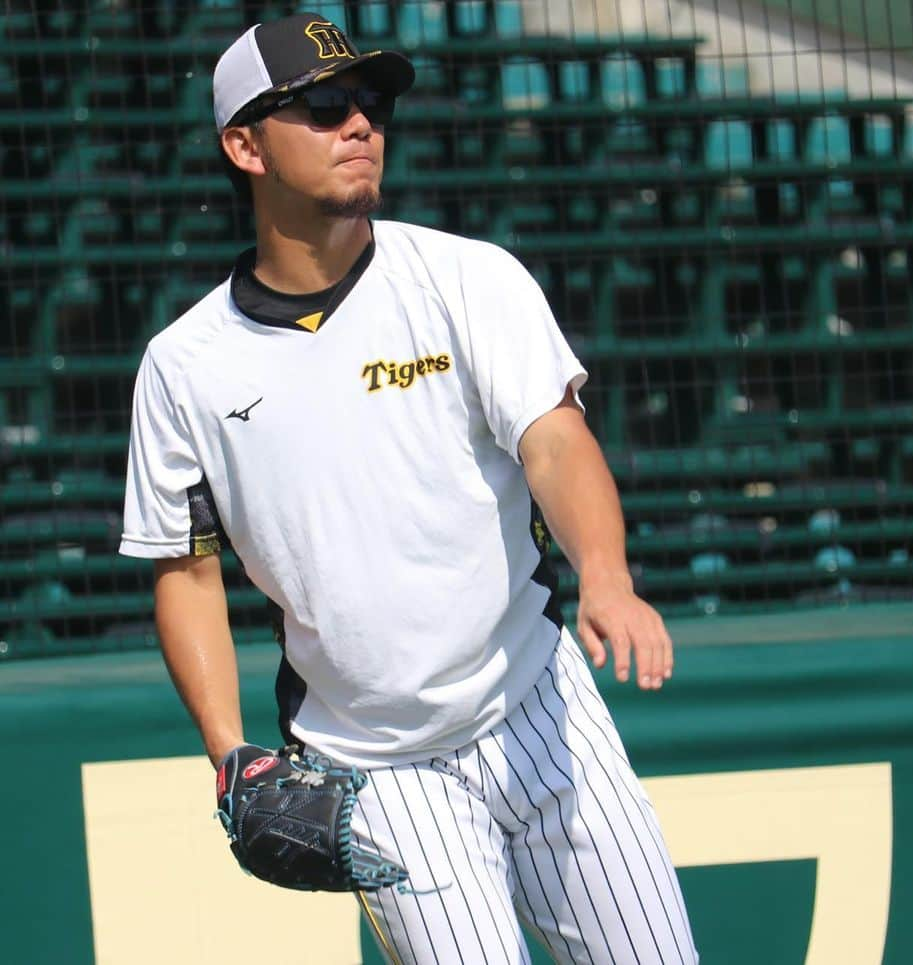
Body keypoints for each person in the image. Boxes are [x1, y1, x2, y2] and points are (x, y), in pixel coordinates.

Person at [120, 12, 698, 964]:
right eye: (322, 105)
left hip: (539, 708)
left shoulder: (465, 278)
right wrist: (230, 755)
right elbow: (186, 570)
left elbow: (555, 442)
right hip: (373, 764)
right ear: (242, 145)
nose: (360, 125)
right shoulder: (185, 365)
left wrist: (607, 573)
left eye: (371, 103)